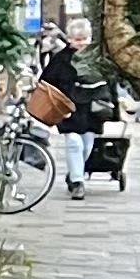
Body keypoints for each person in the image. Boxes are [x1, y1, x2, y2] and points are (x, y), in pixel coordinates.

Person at [37, 21, 109, 198]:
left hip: (91, 109)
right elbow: (46, 82)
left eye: (84, 39)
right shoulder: (61, 59)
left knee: (87, 145)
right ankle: (78, 182)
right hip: (68, 108)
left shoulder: (97, 59)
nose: (82, 43)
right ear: (69, 39)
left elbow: (109, 81)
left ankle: (75, 172)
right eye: (77, 39)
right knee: (74, 143)